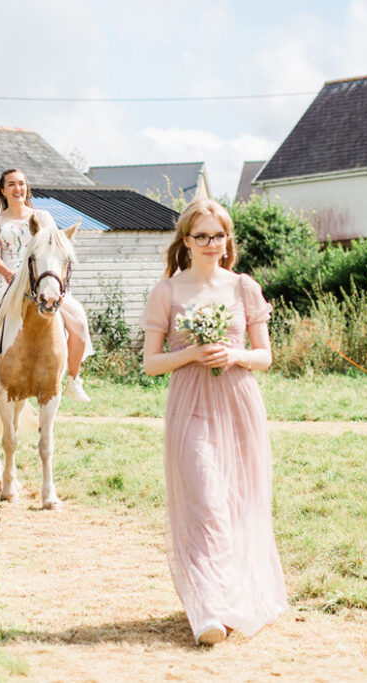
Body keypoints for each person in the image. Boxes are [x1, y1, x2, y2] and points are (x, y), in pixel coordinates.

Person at [141, 198, 286, 646]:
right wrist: (192, 353)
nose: (210, 243)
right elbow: (151, 363)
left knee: (236, 502)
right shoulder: (167, 292)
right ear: (186, 241)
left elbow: (264, 356)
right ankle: (207, 610)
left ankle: (231, 600)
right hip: (190, 406)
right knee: (206, 501)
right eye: (201, 235)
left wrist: (235, 354)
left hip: (238, 404)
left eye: (217, 235)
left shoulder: (244, 287)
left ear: (228, 240)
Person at [0, 168, 92, 402]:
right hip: (7, 278)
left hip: (40, 278)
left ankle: (74, 379)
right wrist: (8, 274)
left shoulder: (43, 217)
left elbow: (54, 247)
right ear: (3, 190)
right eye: (12, 184)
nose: (18, 189)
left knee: (79, 319)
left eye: (22, 184)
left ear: (27, 187)